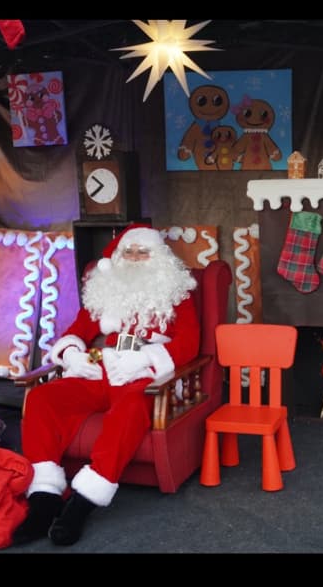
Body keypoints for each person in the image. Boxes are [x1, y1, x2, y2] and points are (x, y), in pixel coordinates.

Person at [12, 224, 200, 546]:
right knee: (43, 398)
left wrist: (146, 358)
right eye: (129, 251)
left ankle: (83, 502)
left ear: (158, 257)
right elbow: (77, 331)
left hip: (144, 373)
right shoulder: (107, 290)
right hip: (102, 368)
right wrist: (72, 355)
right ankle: (45, 496)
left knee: (131, 408)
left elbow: (189, 344)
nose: (135, 258)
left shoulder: (176, 293)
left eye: (143, 252)